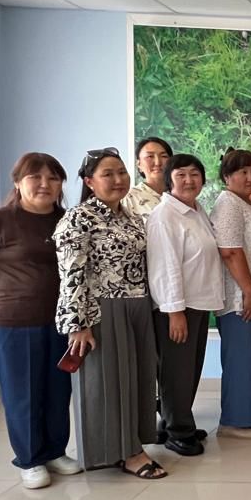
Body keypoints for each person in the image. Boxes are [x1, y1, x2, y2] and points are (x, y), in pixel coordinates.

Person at [0, 152, 82, 489]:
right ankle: (30, 460)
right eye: (35, 177)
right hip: (14, 325)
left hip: (62, 324)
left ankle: (55, 451)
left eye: (53, 178)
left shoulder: (69, 220)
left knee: (57, 391)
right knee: (23, 394)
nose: (45, 184)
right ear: (18, 182)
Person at [55, 147, 164, 479]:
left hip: (137, 306)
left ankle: (132, 443)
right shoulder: (79, 218)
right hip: (103, 310)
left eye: (121, 172)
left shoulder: (129, 216)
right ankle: (124, 453)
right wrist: (78, 324)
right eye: (108, 174)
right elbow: (71, 275)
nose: (118, 179)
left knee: (137, 380)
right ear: (90, 181)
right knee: (107, 383)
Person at [146, 153, 223, 457]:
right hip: (177, 308)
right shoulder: (164, 216)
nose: (189, 180)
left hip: (198, 303)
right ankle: (179, 431)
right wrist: (175, 312)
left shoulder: (196, 211)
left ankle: (173, 422)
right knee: (176, 372)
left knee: (188, 370)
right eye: (181, 175)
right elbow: (165, 268)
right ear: (169, 181)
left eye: (194, 174)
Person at [211, 148, 251, 441]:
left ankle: (249, 410)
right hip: (240, 297)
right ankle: (233, 420)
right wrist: (248, 290)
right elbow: (230, 252)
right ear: (227, 176)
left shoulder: (250, 203)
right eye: (242, 172)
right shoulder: (227, 204)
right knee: (240, 358)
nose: (250, 178)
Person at [121, 136, 172, 221]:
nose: (157, 163)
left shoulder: (179, 195)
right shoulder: (129, 198)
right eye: (150, 156)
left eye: (163, 156)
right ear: (139, 164)